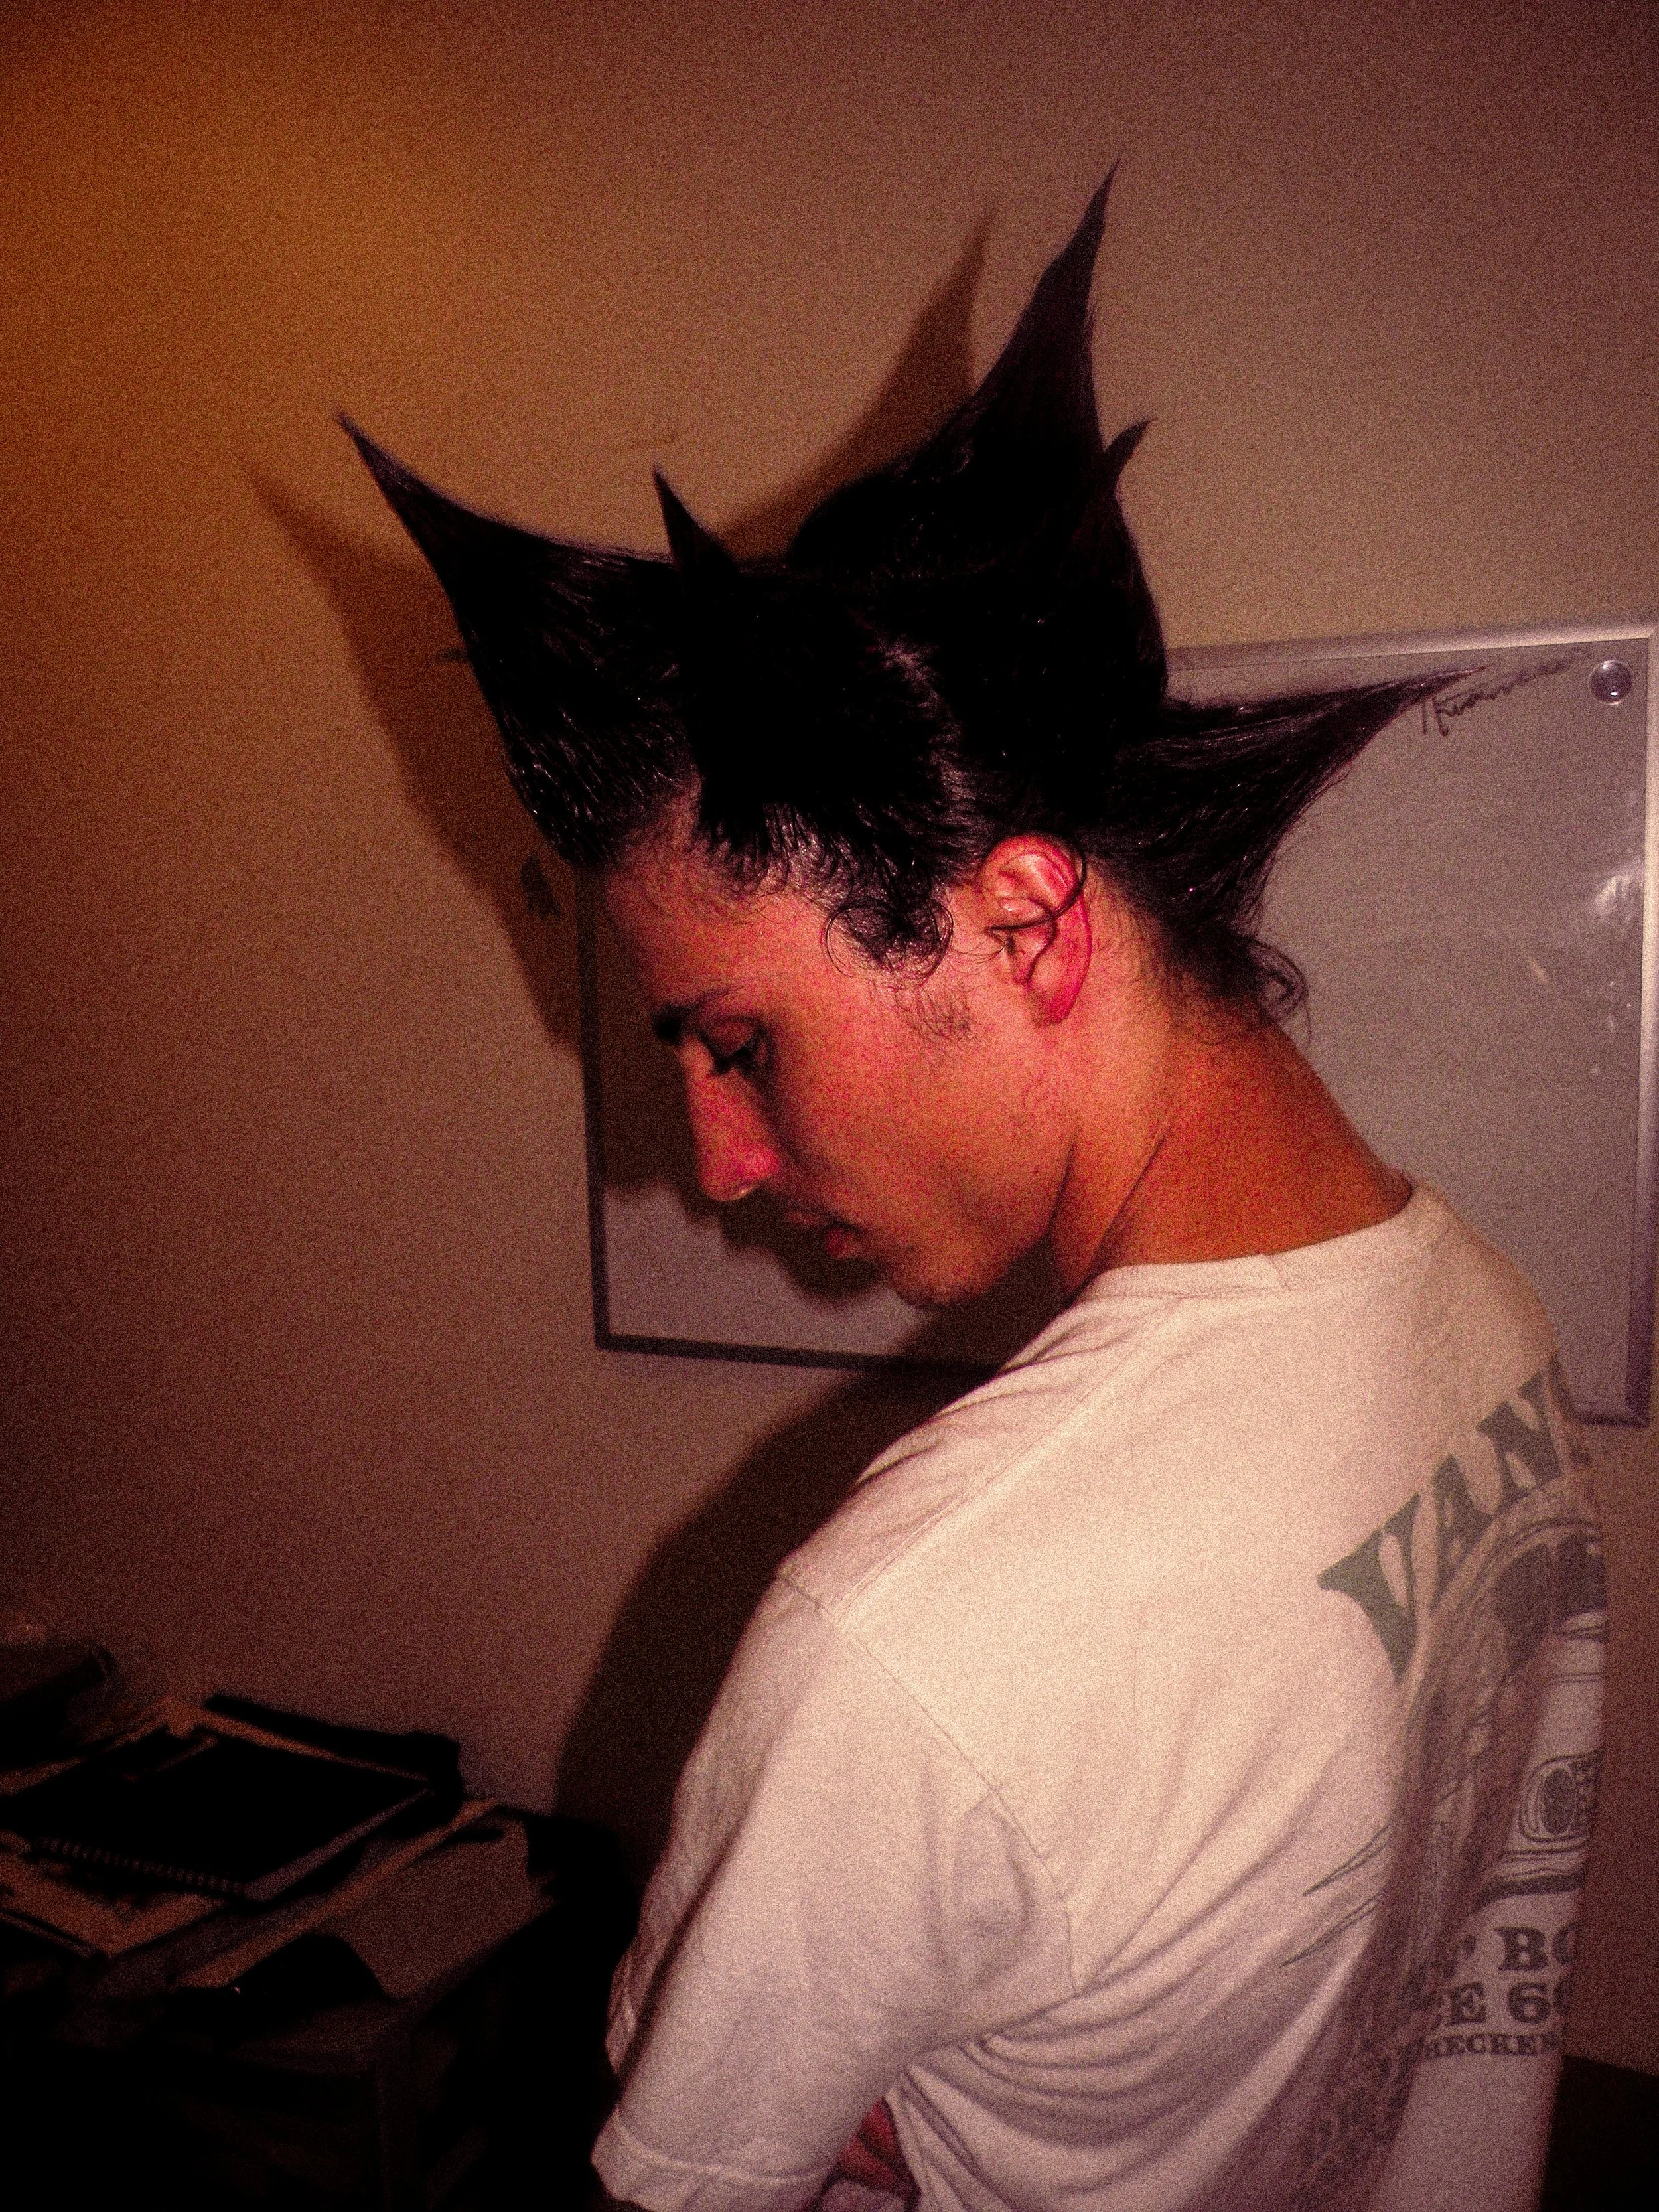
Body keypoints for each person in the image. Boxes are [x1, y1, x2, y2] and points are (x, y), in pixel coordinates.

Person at [350, 181, 1605, 2212]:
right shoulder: (1474, 1314)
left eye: (733, 1039)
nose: (714, 1161)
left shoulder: (920, 1638)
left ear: (1023, 920)